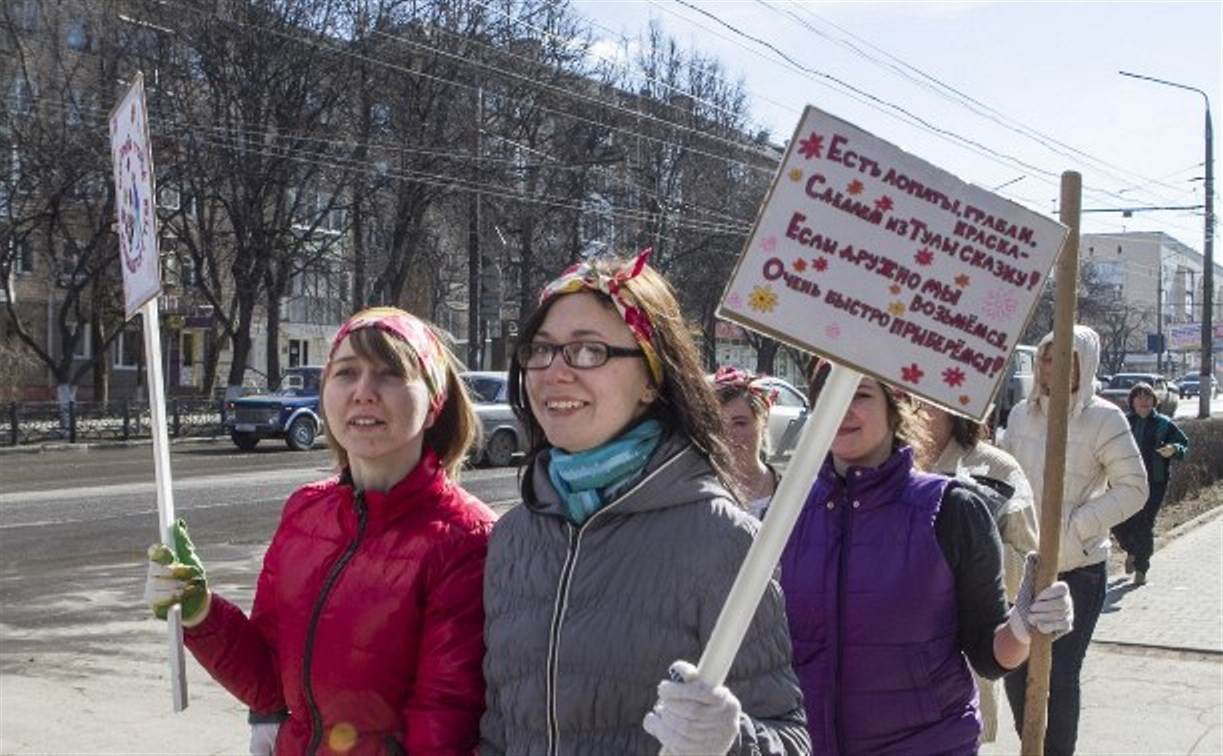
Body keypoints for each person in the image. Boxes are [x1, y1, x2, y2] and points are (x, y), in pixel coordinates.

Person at [479, 249, 810, 756]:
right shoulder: (515, 535)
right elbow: (501, 724)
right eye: (540, 349)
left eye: (589, 351)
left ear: (652, 379)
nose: (555, 372)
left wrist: (732, 741)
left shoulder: (721, 538)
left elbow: (789, 737)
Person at [145, 307, 497, 755]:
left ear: (433, 404)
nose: (363, 393)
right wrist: (200, 614)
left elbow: (444, 718)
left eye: (390, 374)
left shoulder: (465, 538)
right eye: (346, 373)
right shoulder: (305, 511)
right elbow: (270, 685)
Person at [781, 363, 1073, 754]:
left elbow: (989, 655)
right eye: (828, 396)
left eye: (861, 394)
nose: (842, 408)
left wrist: (1023, 625)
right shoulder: (784, 514)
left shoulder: (952, 510)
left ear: (894, 403)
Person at [1000, 325, 1147, 755]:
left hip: (1078, 570)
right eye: (1048, 356)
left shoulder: (1104, 417)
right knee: (1015, 668)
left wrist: (1077, 525)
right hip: (1021, 566)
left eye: (1069, 357)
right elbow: (1006, 478)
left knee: (1061, 675)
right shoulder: (1020, 415)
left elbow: (1134, 486)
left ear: (1087, 363)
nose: (1056, 366)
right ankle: (1032, 746)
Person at [919, 404, 1039, 744]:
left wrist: (966, 552)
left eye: (924, 397)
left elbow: (1029, 562)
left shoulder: (999, 469)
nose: (916, 405)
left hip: (967, 665)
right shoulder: (882, 466)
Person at [1111, 381, 1189, 586]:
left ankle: (1141, 568)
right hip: (1125, 480)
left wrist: (1174, 448)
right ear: (1132, 402)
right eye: (1139, 397)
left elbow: (1183, 444)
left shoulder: (1164, 423)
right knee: (1118, 521)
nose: (1143, 401)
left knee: (1144, 522)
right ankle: (1133, 551)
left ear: (1154, 401)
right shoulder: (1123, 422)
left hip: (1156, 481)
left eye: (1148, 397)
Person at [712, 366, 781, 519]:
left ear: (763, 423)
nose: (728, 435)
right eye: (720, 425)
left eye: (740, 423)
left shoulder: (791, 493)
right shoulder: (702, 491)